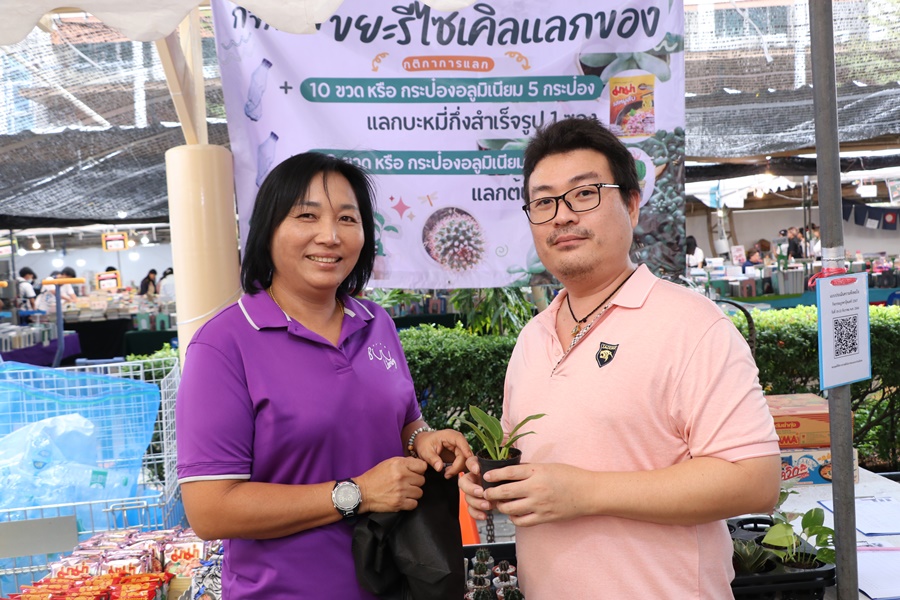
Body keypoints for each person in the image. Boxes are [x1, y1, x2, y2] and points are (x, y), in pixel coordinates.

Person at [459, 117, 781, 599]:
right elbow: (530, 461)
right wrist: (492, 483)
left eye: (584, 194)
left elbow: (754, 481)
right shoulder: (532, 338)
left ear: (631, 205)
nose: (562, 216)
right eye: (544, 202)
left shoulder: (693, 326)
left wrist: (584, 493)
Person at [175, 152, 472, 599]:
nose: (330, 236)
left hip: (394, 582)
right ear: (268, 230)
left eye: (347, 219)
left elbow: (407, 422)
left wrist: (423, 439)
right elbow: (211, 510)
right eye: (307, 216)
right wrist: (358, 493)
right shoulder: (224, 344)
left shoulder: (376, 323)